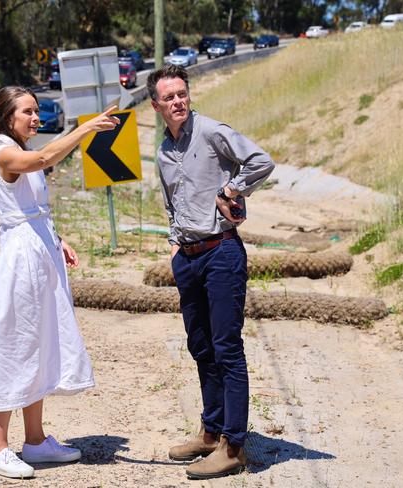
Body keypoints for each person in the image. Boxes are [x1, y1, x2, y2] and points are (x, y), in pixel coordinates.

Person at [0, 86, 119, 479]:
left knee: (37, 344)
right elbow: (41, 158)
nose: (36, 117)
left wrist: (57, 240)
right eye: (28, 112)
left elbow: (32, 209)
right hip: (20, 264)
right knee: (13, 346)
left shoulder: (17, 148)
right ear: (7, 117)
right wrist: (86, 129)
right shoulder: (5, 152)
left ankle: (35, 441)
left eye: (37, 111)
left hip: (39, 257)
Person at [147, 65, 275, 480]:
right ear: (156, 105)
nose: (178, 102)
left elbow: (260, 160)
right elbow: (172, 203)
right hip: (187, 257)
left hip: (221, 253)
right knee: (200, 347)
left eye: (182, 93)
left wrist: (231, 190)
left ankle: (233, 447)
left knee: (226, 349)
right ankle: (210, 431)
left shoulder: (211, 131)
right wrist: (174, 246)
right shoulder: (164, 151)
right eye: (169, 97)